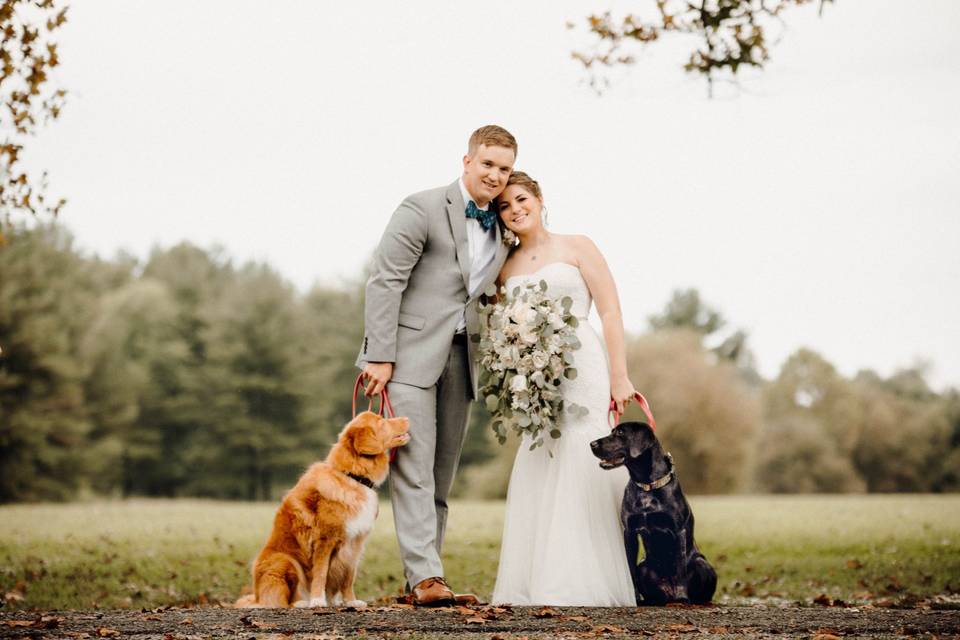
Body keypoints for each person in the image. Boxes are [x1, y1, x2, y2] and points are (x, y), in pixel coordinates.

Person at [357, 125, 517, 606]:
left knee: (442, 476)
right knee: (414, 470)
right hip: (407, 357)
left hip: (463, 358)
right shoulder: (421, 207)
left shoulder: (503, 225)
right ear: (466, 161)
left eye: (504, 168)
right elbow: (385, 281)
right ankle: (426, 576)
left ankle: (427, 580)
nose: (494, 175)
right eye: (487, 163)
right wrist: (380, 356)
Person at [491, 171, 638, 606]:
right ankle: (543, 577)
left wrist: (619, 375)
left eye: (520, 199)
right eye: (503, 206)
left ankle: (592, 577)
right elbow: (504, 325)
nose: (514, 209)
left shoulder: (578, 246)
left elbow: (610, 312)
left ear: (538, 198)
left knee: (587, 453)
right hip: (536, 379)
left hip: (585, 368)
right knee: (545, 456)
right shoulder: (505, 268)